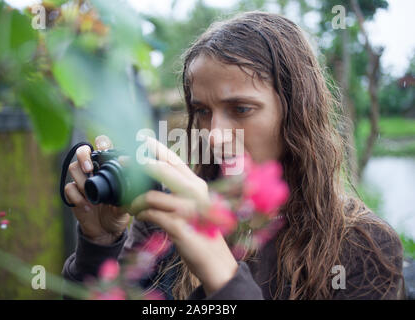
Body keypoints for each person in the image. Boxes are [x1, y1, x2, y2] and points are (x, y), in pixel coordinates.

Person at [61, 11, 404, 300]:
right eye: (202, 111)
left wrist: (222, 273)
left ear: (297, 112)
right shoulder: (163, 218)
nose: (214, 134)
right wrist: (100, 244)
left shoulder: (363, 247)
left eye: (241, 109)